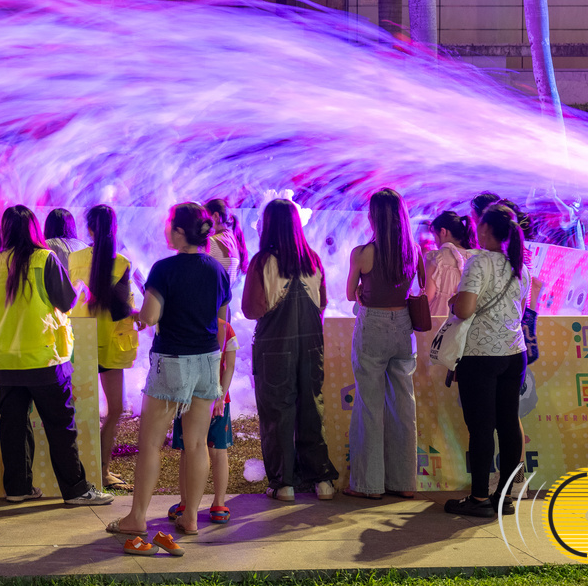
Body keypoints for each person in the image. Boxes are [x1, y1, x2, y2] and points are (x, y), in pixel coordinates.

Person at [0, 205, 112, 506]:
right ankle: (75, 490)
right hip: (46, 360)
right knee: (61, 428)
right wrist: (79, 286)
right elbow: (66, 302)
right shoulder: (45, 259)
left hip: (7, 362)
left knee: (13, 428)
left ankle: (17, 488)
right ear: (34, 229)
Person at [108, 203, 228, 540]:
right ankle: (190, 518)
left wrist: (134, 314)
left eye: (168, 224)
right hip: (207, 359)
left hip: (172, 360)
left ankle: (137, 518)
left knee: (150, 444)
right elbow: (222, 320)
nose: (165, 229)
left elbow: (150, 316)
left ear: (178, 232)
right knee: (197, 444)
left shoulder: (164, 269)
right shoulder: (217, 269)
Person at [242, 198, 338, 503]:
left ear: (268, 226)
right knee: (312, 408)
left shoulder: (262, 261)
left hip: (274, 348)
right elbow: (322, 303)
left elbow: (250, 309)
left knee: (277, 412)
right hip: (311, 346)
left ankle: (284, 484)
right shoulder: (313, 260)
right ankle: (322, 481)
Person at [445, 203, 529, 518]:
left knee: (481, 427)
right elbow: (520, 312)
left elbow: (465, 310)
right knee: (508, 424)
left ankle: (479, 498)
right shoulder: (520, 266)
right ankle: (503, 498)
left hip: (481, 355)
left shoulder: (478, 262)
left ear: (485, 228)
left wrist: (455, 303)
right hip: (514, 354)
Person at [344, 188, 423, 501]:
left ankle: (368, 484)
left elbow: (350, 293)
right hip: (404, 326)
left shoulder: (362, 253)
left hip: (373, 326)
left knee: (369, 405)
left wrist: (362, 291)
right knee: (404, 405)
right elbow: (422, 288)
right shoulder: (414, 250)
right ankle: (405, 482)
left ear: (373, 217)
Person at [66, 205, 137, 492]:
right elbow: (122, 310)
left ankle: (79, 467)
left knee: (79, 409)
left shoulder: (74, 258)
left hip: (79, 342)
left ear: (89, 229)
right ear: (114, 229)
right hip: (109, 344)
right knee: (115, 408)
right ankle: (103, 470)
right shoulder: (121, 263)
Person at [168, 316, 237, 525]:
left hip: (189, 399)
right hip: (218, 401)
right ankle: (219, 504)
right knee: (219, 452)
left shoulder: (186, 322)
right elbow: (230, 366)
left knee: (188, 451)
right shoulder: (226, 328)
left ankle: (185, 503)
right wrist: (220, 396)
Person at [204, 197, 248, 319]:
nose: (202, 223)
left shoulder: (211, 243)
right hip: (224, 309)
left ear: (215, 216)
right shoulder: (233, 240)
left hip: (209, 311)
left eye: (205, 218)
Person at [425, 211, 474, 318]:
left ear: (443, 232)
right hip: (461, 320)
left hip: (436, 319)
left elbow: (427, 296)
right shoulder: (473, 258)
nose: (435, 241)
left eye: (434, 235)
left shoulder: (435, 257)